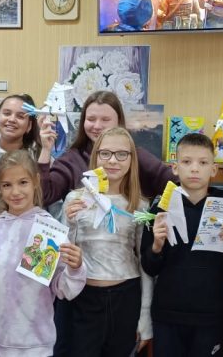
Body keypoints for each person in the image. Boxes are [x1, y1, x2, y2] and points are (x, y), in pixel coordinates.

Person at [0, 150, 86, 356]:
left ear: (36, 181)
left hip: (35, 346)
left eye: (23, 182)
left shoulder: (50, 230)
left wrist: (75, 268)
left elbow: (63, 288)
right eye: (7, 185)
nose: (15, 192)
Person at [141, 133, 223, 356]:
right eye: (186, 162)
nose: (194, 169)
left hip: (210, 314)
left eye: (203, 163)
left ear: (214, 169)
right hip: (167, 314)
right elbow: (149, 267)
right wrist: (157, 246)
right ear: (175, 167)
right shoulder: (160, 209)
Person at [62, 127, 153, 356]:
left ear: (131, 159)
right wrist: (70, 223)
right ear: (96, 156)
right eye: (105, 153)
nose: (113, 160)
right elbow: (62, 255)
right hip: (84, 296)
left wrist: (145, 316)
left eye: (121, 154)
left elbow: (146, 264)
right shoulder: (75, 199)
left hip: (126, 296)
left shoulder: (139, 205)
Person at [40, 90, 174, 208]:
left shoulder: (137, 156)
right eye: (91, 119)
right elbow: (43, 196)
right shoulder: (71, 160)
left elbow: (176, 185)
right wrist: (45, 150)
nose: (97, 126)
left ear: (119, 121)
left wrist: (156, 216)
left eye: (105, 119)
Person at [0, 94, 46, 216]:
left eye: (20, 116)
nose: (12, 119)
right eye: (6, 113)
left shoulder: (39, 156)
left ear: (29, 126)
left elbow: (48, 199)